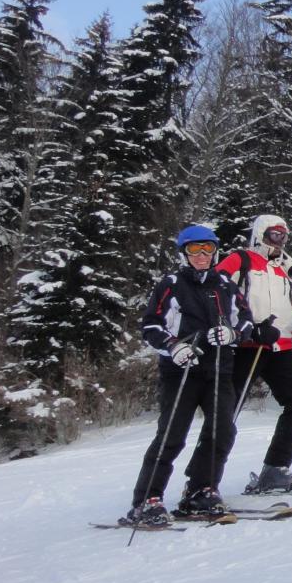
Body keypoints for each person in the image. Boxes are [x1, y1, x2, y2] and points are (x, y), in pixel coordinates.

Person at [121, 225, 255, 525]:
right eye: (195, 250)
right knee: (172, 433)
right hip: (181, 371)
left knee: (222, 431)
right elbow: (151, 326)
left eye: (208, 249)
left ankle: (201, 490)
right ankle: (146, 499)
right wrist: (173, 346)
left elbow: (246, 321)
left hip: (220, 368)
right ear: (184, 253)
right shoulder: (171, 284)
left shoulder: (224, 284)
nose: (202, 256)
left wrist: (233, 333)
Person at [215, 215, 292, 493]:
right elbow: (216, 293)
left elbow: (289, 305)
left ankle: (275, 468)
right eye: (274, 235)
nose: (279, 241)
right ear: (261, 234)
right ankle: (205, 480)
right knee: (227, 411)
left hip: (281, 345)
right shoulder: (242, 260)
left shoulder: (287, 267)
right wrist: (244, 327)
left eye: (284, 236)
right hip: (248, 345)